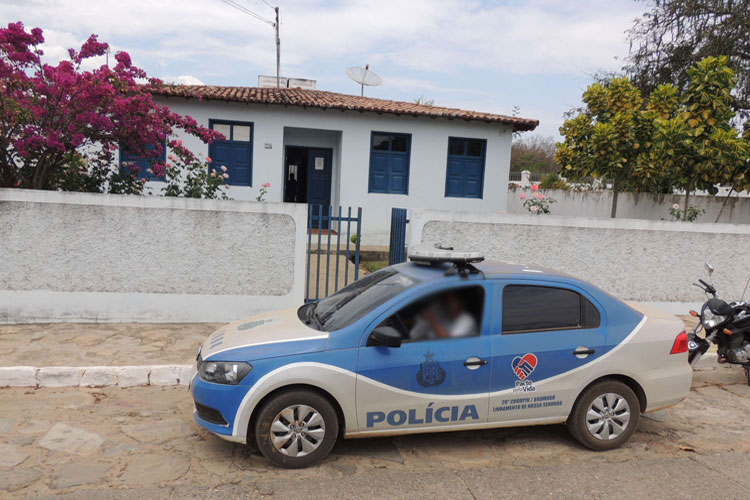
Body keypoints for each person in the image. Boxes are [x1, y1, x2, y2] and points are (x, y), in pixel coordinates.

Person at [409, 291, 478, 340]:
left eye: (453, 301)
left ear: (462, 303)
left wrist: (432, 319)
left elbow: (449, 341)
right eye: (448, 301)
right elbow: (431, 334)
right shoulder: (447, 316)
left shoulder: (467, 320)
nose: (449, 304)